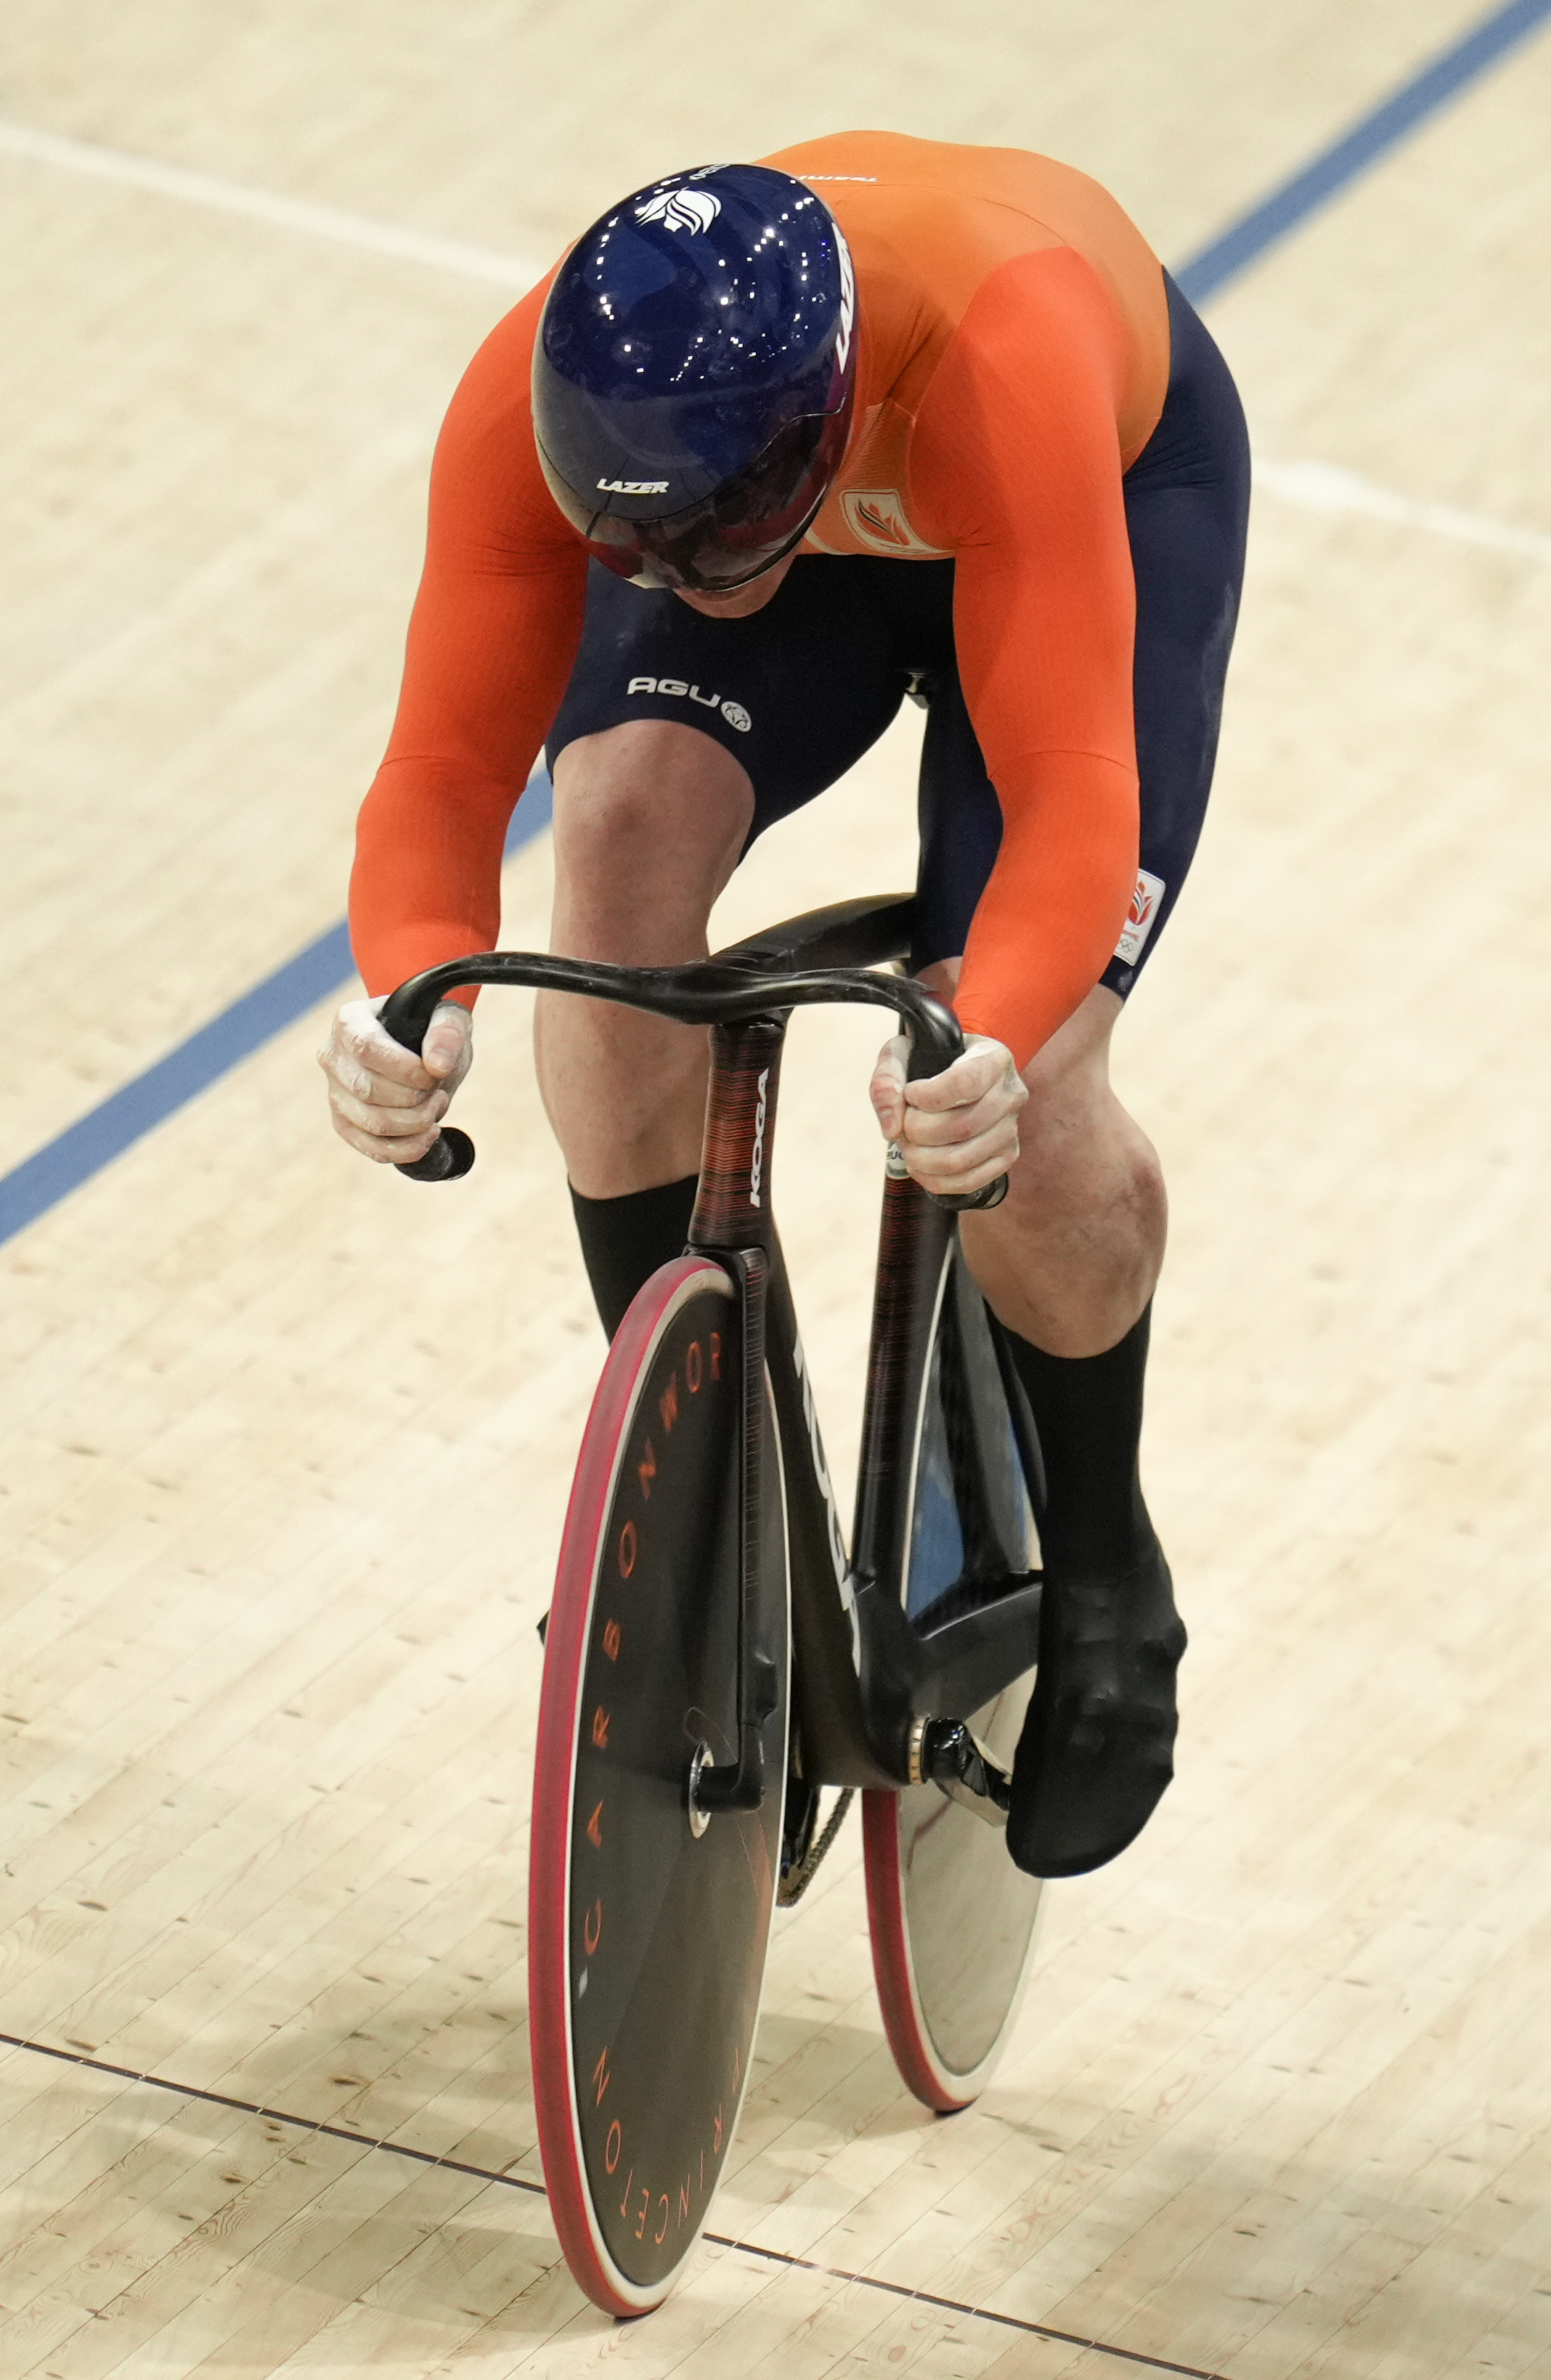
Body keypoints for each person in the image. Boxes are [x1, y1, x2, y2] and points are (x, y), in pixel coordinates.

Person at [314, 135, 1246, 1880]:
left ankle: (1108, 1558)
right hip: (795, 480)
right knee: (616, 837)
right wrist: (404, 986)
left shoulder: (1009, 353)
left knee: (1020, 1079)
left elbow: (1069, 788)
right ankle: (685, 1482)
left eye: (718, 542)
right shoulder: (537, 407)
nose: (690, 576)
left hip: (1090, 492)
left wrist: (996, 1029)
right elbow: (444, 765)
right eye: (643, 549)